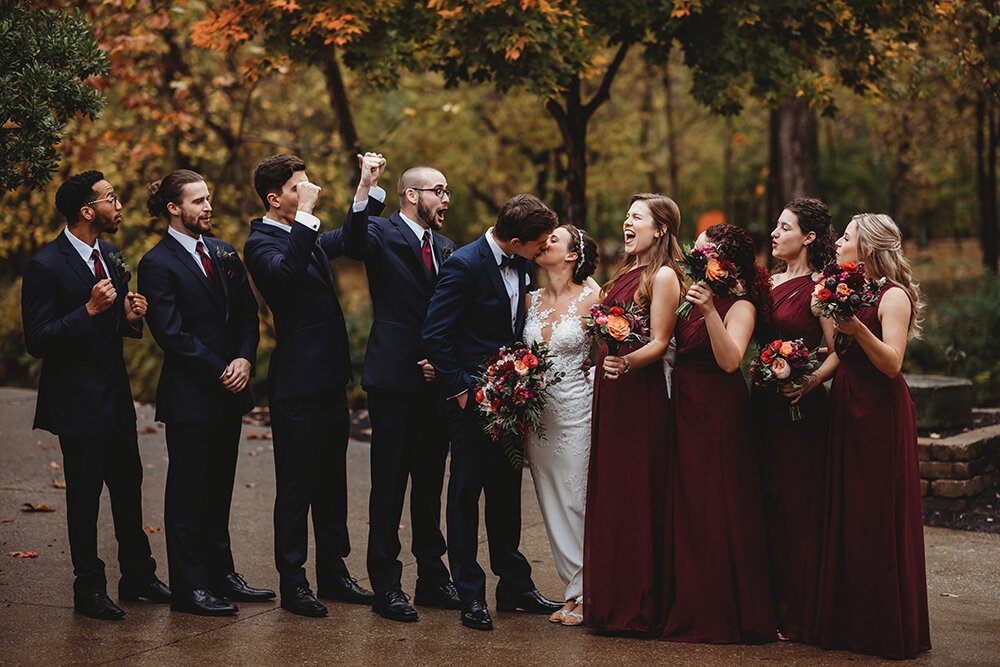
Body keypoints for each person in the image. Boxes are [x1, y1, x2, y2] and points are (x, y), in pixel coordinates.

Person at [21, 170, 170, 620]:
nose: (119, 204)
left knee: (129, 487)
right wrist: (87, 311)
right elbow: (38, 339)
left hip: (115, 396)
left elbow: (113, 326)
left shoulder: (111, 253)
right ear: (88, 210)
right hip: (75, 402)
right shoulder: (44, 265)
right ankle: (88, 589)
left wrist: (128, 316)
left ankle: (138, 576)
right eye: (111, 197)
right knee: (84, 499)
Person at [242, 154, 378, 617]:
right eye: (299, 187)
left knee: (331, 482)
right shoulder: (260, 243)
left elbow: (355, 242)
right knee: (296, 485)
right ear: (275, 197)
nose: (309, 191)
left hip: (328, 380)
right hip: (296, 385)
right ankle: (293, 580)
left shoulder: (306, 236)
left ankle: (334, 573)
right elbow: (285, 275)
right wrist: (304, 218)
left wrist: (363, 191)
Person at [422, 194, 563, 631]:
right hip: (470, 403)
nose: (542, 251)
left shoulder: (520, 263)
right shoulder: (464, 265)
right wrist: (462, 392)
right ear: (517, 239)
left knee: (506, 494)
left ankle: (514, 584)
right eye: (538, 244)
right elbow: (435, 336)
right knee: (465, 496)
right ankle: (470, 593)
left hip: (511, 401)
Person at [138, 169, 274, 616]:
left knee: (219, 490)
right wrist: (220, 369)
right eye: (198, 201)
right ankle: (189, 588)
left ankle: (222, 574)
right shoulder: (156, 263)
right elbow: (171, 333)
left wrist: (244, 359)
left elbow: (247, 317)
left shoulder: (225, 252)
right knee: (187, 494)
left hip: (230, 391)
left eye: (209, 198)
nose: (208, 206)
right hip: (191, 396)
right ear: (174, 208)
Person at [340, 163, 461, 622]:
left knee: (430, 483)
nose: (446, 199)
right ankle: (386, 587)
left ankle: (432, 577)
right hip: (393, 377)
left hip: (436, 380)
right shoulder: (378, 232)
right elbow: (351, 244)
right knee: (389, 485)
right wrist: (366, 186)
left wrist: (443, 360)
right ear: (412, 195)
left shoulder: (446, 246)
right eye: (440, 191)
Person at [815, 213, 930, 659]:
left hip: (880, 410)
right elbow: (837, 351)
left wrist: (857, 326)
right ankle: (849, 623)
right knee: (848, 509)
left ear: (866, 248)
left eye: (845, 237)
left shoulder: (892, 296)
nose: (838, 243)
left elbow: (892, 363)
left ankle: (884, 628)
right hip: (847, 402)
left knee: (876, 511)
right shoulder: (849, 291)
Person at [660, 223, 776, 644]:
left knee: (716, 504)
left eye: (704, 246)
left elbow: (731, 361)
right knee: (688, 506)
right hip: (685, 404)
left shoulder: (740, 305)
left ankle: (719, 610)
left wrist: (710, 310)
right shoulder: (691, 297)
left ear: (721, 260)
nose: (695, 250)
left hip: (719, 410)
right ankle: (686, 601)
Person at [584, 193, 681, 634]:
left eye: (636, 218)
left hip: (639, 394)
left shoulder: (662, 276)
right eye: (626, 217)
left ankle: (637, 607)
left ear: (660, 228)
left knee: (636, 493)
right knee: (612, 493)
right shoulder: (626, 272)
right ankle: (608, 601)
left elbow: (660, 342)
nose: (627, 223)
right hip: (613, 390)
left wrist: (626, 362)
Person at [755, 198, 838, 642]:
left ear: (807, 237)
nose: (774, 234)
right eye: (775, 226)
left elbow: (837, 349)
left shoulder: (821, 286)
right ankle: (766, 606)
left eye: (784, 228)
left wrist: (810, 383)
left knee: (796, 505)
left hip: (800, 407)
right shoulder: (766, 282)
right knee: (764, 499)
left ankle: (800, 610)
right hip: (762, 404)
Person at [522, 224, 601, 627]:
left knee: (578, 500)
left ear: (572, 255)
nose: (544, 242)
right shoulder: (529, 300)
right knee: (550, 503)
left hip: (578, 412)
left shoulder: (595, 297)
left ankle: (591, 592)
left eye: (554, 239)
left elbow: (612, 352)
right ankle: (572, 588)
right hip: (537, 417)